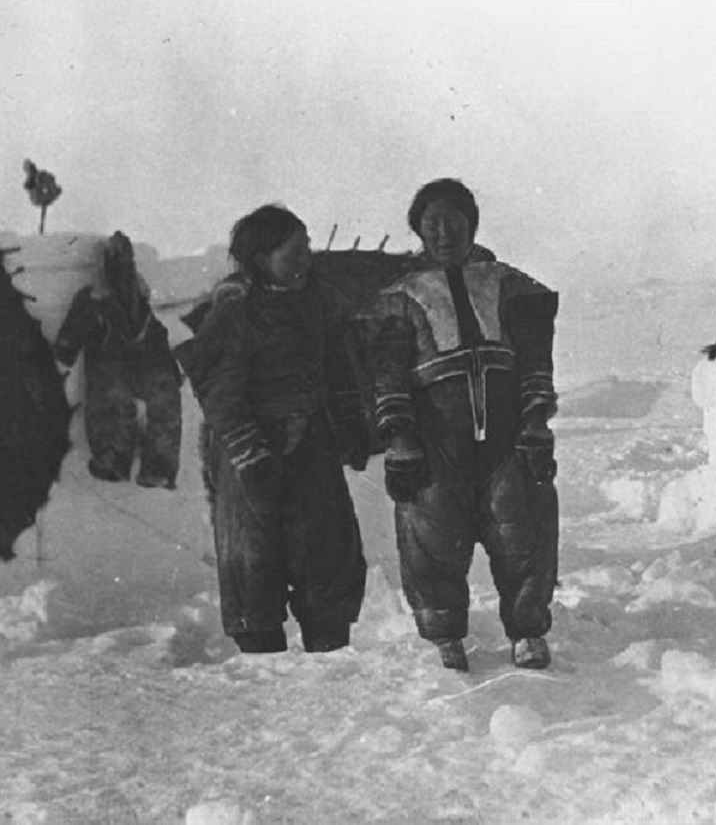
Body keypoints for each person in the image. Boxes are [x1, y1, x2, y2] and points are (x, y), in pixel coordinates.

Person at [357, 178, 559, 672]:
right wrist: (400, 437)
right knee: (432, 529)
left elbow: (535, 359)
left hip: (506, 432)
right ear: (418, 231)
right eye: (432, 224)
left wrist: (535, 420)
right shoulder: (399, 298)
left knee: (522, 525)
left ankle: (528, 632)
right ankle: (445, 635)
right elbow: (388, 375)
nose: (445, 232)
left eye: (455, 221)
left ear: (472, 223)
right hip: (436, 436)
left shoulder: (509, 284)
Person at [175, 205, 367, 655]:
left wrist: (352, 420)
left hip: (312, 439)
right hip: (249, 445)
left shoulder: (319, 299)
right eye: (292, 252)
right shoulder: (235, 310)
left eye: (307, 250)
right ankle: (263, 661)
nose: (305, 261)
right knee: (253, 552)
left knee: (326, 544)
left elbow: (339, 367)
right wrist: (250, 453)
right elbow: (220, 391)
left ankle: (328, 649)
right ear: (260, 259)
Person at [53, 231, 182, 489]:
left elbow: (156, 339)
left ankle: (158, 466)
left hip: (144, 364)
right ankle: (114, 456)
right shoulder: (93, 299)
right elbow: (67, 342)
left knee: (164, 393)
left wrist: (171, 372)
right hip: (110, 363)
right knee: (112, 393)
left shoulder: (140, 301)